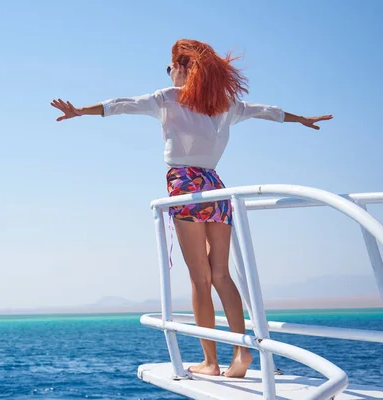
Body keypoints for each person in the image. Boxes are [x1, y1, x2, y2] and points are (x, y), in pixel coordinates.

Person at [50, 39, 332, 378]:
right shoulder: (225, 104)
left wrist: (81, 110)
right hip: (216, 187)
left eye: (171, 67)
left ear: (184, 69)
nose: (169, 73)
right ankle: (241, 353)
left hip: (185, 186)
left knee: (199, 279)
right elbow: (266, 111)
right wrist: (300, 119)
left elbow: (121, 104)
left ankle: (211, 362)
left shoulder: (167, 98)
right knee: (221, 274)